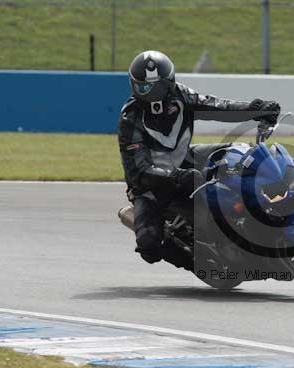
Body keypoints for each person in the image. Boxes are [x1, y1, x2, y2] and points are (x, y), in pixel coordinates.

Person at [118, 50, 280, 266]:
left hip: (186, 160)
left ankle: (272, 205)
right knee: (150, 247)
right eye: (141, 87)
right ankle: (197, 262)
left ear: (168, 84)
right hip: (151, 187)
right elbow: (138, 171)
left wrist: (256, 109)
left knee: (240, 152)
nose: (147, 94)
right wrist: (175, 177)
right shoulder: (130, 119)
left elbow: (219, 107)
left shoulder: (182, 96)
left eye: (152, 87)